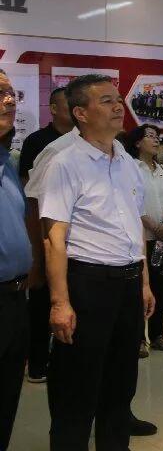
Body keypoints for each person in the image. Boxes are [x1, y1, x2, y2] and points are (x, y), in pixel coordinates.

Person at [40, 74, 156, 450]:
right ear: (81, 113)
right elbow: (54, 237)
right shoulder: (65, 162)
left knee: (120, 384)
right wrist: (60, 302)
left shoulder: (126, 161)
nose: (118, 106)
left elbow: (134, 224)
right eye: (106, 101)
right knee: (77, 386)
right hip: (87, 283)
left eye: (118, 99)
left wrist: (143, 282)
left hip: (127, 282)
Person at [18, 86, 73, 384]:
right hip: (44, 231)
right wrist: (36, 255)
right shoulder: (38, 142)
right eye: (68, 103)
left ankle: (63, 363)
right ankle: (37, 363)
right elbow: (30, 196)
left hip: (73, 242)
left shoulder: (83, 141)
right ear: (53, 108)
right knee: (41, 303)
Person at [126, 124, 163, 356]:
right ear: (138, 142)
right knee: (139, 288)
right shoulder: (130, 168)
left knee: (159, 286)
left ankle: (158, 335)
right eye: (150, 136)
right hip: (141, 239)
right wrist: (152, 226)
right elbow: (132, 202)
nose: (156, 140)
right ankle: (138, 338)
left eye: (157, 137)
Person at [0, 70, 32, 450]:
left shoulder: (8, 161)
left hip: (14, 299)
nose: (10, 100)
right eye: (0, 93)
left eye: (11, 92)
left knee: (7, 399)